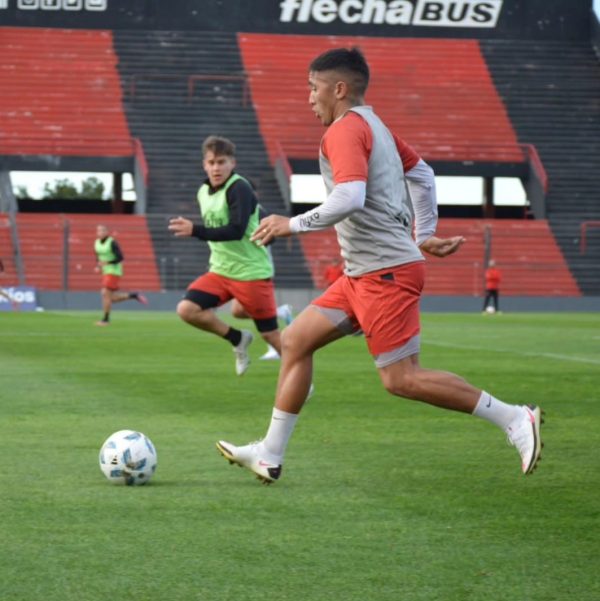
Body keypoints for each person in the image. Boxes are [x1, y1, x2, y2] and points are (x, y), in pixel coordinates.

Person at [216, 47, 543, 483]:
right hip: (362, 274)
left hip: (384, 273)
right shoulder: (378, 128)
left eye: (313, 88)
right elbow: (423, 175)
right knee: (294, 340)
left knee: (401, 379)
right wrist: (423, 234)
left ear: (339, 89)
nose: (309, 98)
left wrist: (290, 224)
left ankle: (515, 418)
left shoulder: (343, 131)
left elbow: (350, 197)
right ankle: (269, 454)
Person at [168, 135, 287, 376]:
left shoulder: (239, 187)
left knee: (270, 335)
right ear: (204, 164)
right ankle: (238, 338)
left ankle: (303, 378)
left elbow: (235, 230)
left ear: (232, 163)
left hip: (250, 273)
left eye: (221, 162)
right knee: (187, 309)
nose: (216, 168)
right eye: (211, 162)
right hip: (221, 271)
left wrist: (195, 230)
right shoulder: (203, 192)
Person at [94, 224, 148, 326]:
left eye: (102, 230)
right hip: (105, 272)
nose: (100, 233)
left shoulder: (112, 242)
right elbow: (98, 257)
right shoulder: (96, 243)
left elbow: (120, 258)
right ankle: (133, 295)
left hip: (114, 271)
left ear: (107, 232)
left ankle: (105, 320)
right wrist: (98, 266)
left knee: (105, 294)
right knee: (110, 298)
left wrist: (107, 263)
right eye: (99, 231)